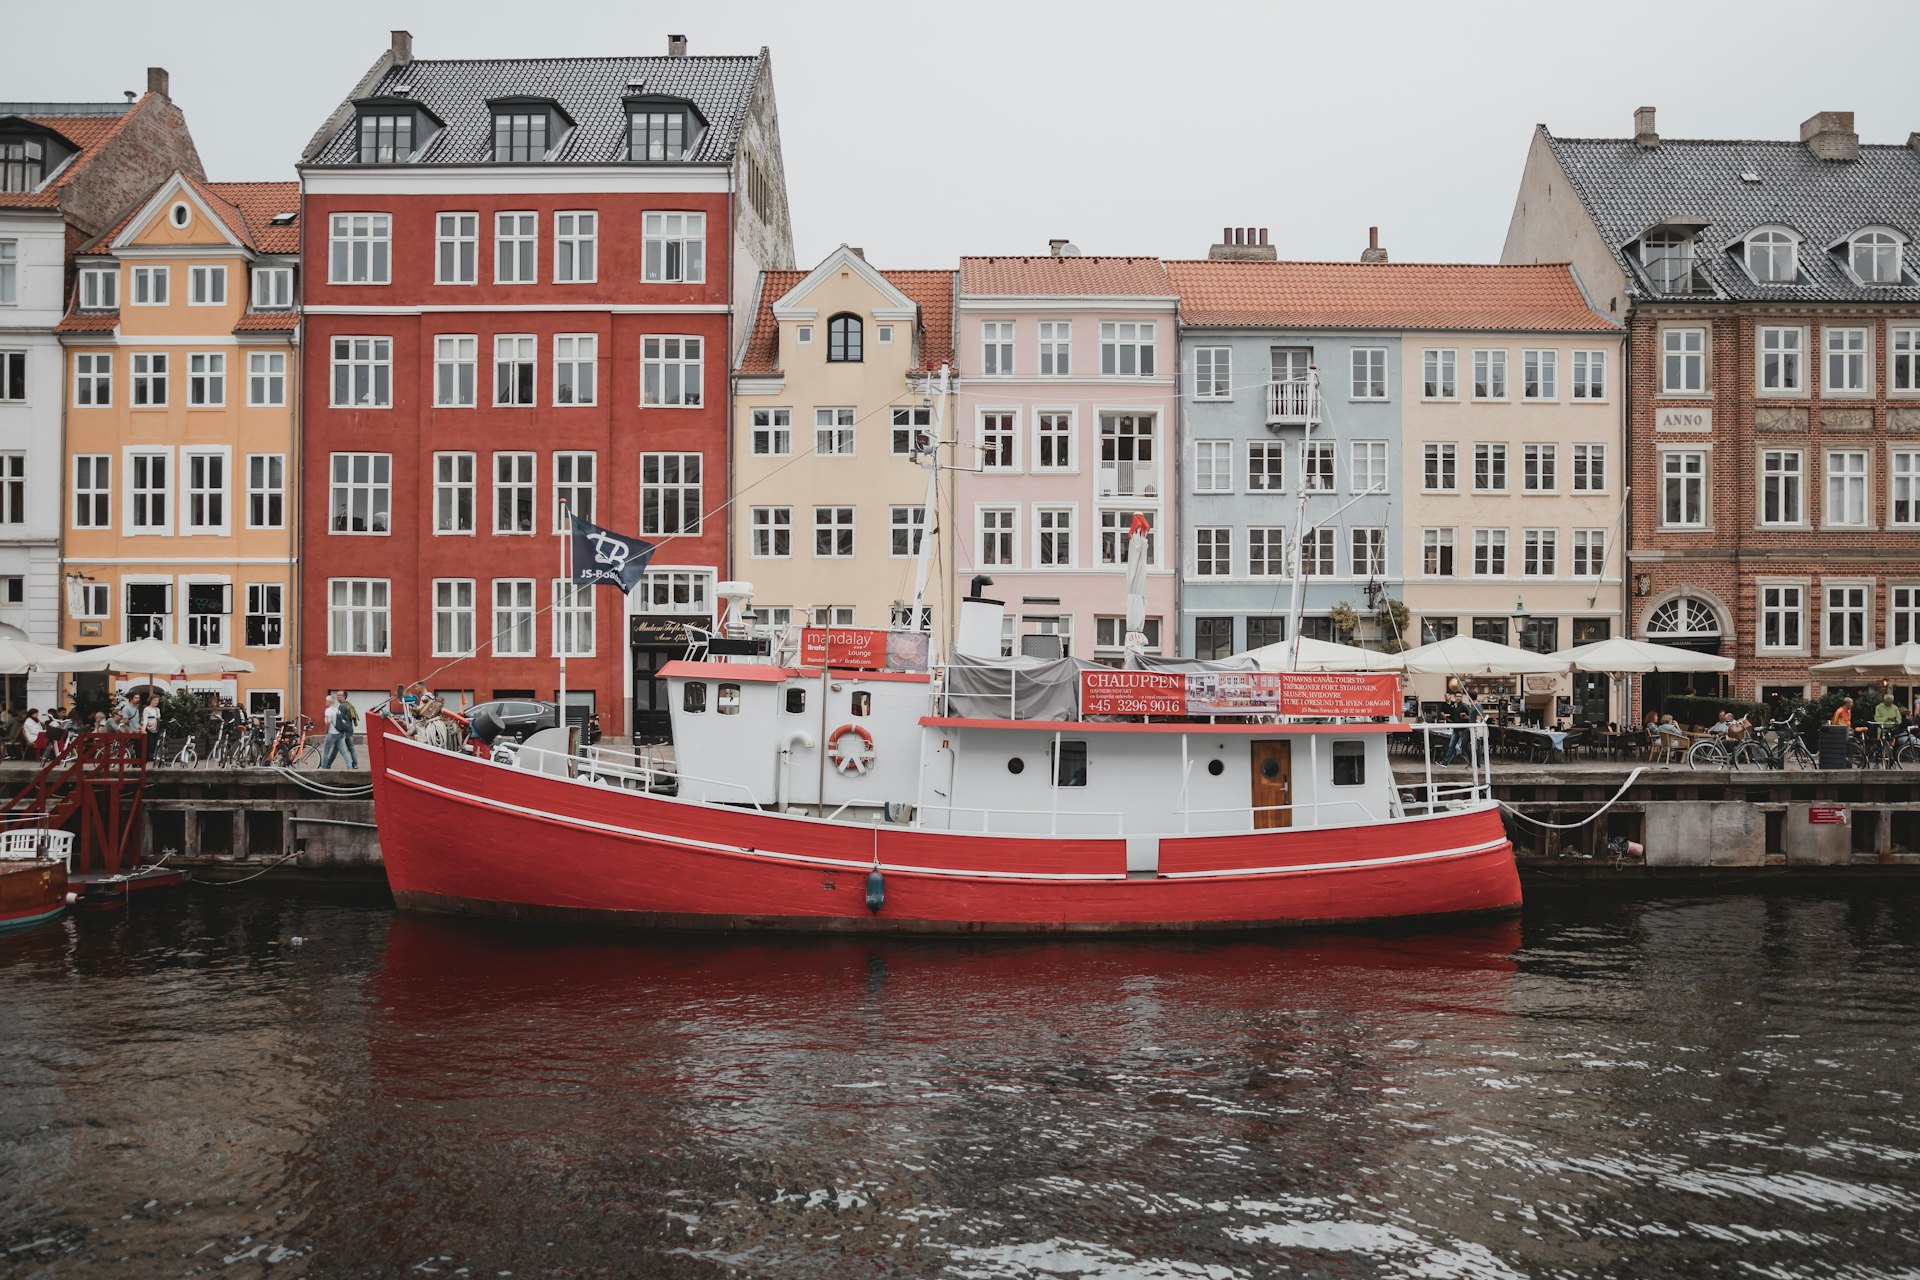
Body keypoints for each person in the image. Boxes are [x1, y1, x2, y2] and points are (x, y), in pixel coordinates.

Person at [320, 691, 359, 769]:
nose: (337, 696)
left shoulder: (341, 707)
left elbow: (338, 721)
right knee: (347, 749)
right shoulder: (349, 705)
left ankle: (326, 765)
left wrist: (328, 730)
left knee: (334, 749)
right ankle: (353, 765)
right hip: (348, 730)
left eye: (339, 695)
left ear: (344, 696)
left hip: (342, 731)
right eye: (337, 695)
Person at [141, 694, 161, 760]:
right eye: (155, 700)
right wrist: (143, 729)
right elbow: (145, 719)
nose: (156, 702)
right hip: (150, 729)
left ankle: (155, 757)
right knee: (150, 745)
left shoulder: (157, 709)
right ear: (151, 700)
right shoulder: (147, 709)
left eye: (157, 700)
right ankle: (149, 757)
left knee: (157, 744)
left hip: (157, 728)